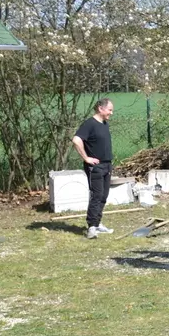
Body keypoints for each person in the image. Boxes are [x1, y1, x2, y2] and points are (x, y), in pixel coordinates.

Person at [73, 98, 115, 239]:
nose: (111, 112)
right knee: (96, 195)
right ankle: (91, 227)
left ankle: (97, 223)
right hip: (95, 167)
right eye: (109, 109)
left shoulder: (104, 124)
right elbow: (76, 140)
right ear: (100, 109)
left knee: (103, 196)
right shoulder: (89, 124)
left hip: (107, 165)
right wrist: (86, 158)